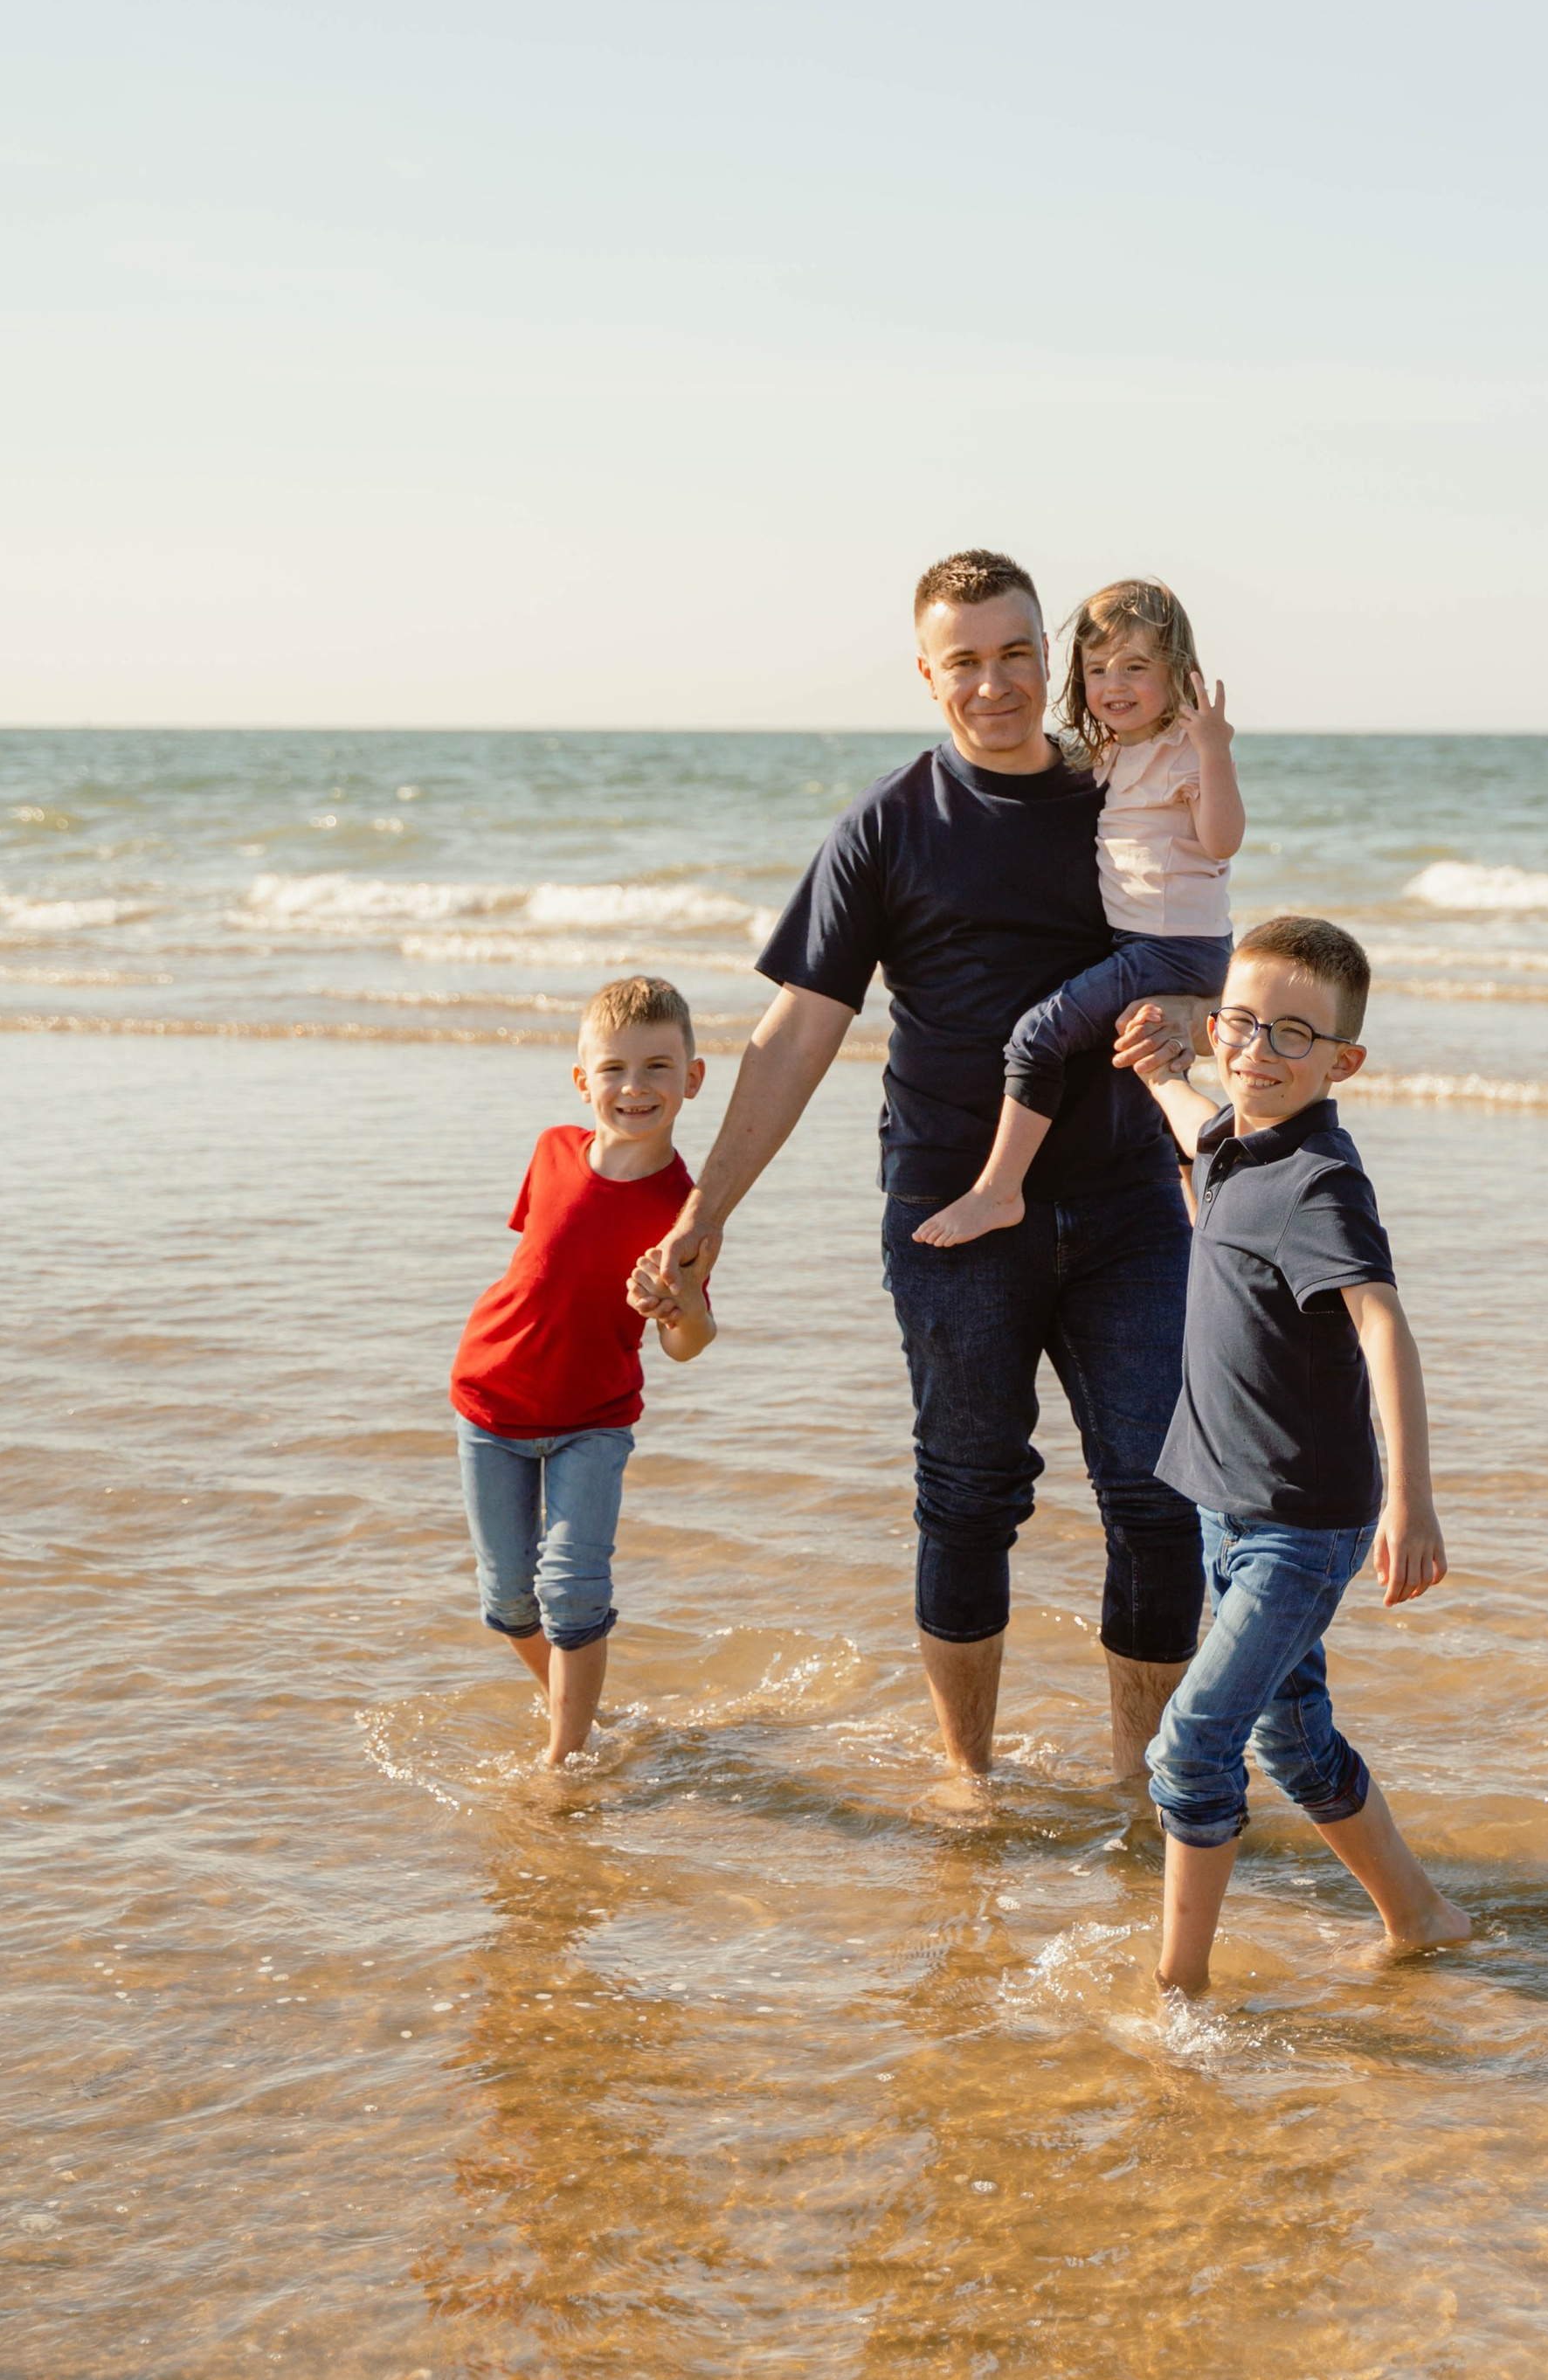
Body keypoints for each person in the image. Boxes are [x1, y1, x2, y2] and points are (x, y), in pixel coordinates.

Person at [632, 550, 1208, 1808]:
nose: (995, 685)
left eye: (1016, 654)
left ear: (1045, 652)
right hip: (952, 1217)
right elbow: (795, 1033)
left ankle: (1136, 1784)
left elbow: (1196, 939)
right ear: (926, 673)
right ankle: (968, 1774)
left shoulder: (1122, 785)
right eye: (966, 662)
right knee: (966, 1491)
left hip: (1127, 1207)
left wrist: (1198, 1033)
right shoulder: (887, 827)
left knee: (1158, 1498)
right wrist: (705, 1209)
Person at [1114, 914, 1475, 1989]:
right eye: (1242, 1024)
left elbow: (1381, 1326)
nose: (1256, 1052)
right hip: (1222, 1504)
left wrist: (1411, 1504)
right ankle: (1421, 1918)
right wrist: (1159, 1067)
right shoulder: (1233, 1135)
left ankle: (1177, 1989)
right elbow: (1194, 1123)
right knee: (1293, 1741)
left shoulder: (1321, 1182)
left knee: (1190, 1744)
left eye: (1291, 1036)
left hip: (1302, 1525)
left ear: (1342, 1061)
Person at [912, 578, 1243, 1249]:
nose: (1113, 684)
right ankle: (1207, 1194)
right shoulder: (1115, 751)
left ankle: (998, 1191)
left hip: (1173, 946)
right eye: (1097, 670)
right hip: (1141, 943)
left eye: (1135, 667)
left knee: (1039, 1036)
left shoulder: (1186, 746)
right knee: (1152, 1064)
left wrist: (1214, 749)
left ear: (1177, 672)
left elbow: (1223, 839)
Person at [453, 976, 715, 1769]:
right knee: (507, 1603)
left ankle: (562, 1764)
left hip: (593, 1421)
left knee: (573, 1594)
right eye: (614, 1069)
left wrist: (675, 1308)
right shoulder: (551, 1149)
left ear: (693, 1079)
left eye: (658, 1068)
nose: (634, 1088)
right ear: (582, 1080)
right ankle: (586, 1712)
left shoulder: (689, 1212)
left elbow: (689, 1343)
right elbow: (536, 1264)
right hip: (490, 1402)